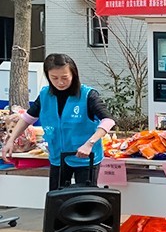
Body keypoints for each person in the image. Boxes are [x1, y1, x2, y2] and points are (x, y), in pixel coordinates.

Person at [0, 54, 115, 190]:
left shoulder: (87, 95)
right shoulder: (45, 95)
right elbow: (27, 118)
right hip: (58, 157)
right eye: (54, 78)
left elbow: (108, 120)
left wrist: (89, 144)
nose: (60, 82)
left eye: (65, 77)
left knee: (84, 198)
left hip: (85, 157)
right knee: (56, 197)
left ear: (73, 75)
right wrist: (11, 140)